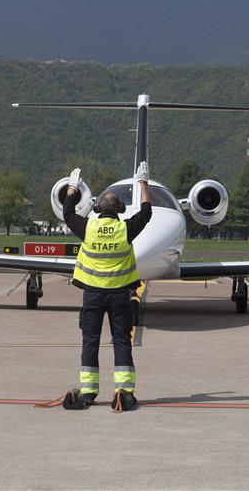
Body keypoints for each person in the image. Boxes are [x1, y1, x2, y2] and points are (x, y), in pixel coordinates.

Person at [61, 161, 152, 412]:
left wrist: (72, 188)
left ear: (97, 208)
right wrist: (143, 183)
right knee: (121, 341)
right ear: (120, 209)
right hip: (120, 296)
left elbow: (68, 213)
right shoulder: (125, 229)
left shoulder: (88, 227)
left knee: (90, 341)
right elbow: (146, 213)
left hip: (92, 296)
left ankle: (88, 392)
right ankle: (124, 391)